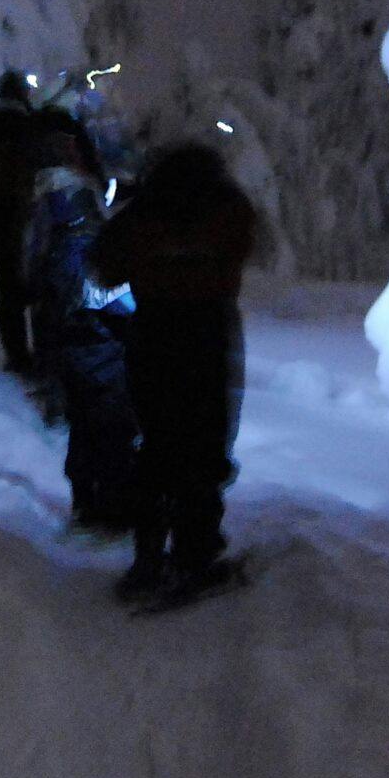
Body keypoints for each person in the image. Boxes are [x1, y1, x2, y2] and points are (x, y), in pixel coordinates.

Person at [91, 142, 258, 602]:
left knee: (159, 442)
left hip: (154, 332)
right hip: (209, 332)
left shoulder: (143, 213)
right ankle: (196, 550)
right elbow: (245, 246)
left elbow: (104, 267)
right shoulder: (227, 208)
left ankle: (148, 557)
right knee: (206, 441)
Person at [22, 106, 139, 533]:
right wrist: (131, 310)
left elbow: (33, 268)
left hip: (67, 326)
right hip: (93, 329)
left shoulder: (45, 202)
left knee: (87, 418)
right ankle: (109, 507)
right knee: (107, 417)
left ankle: (89, 500)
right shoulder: (75, 206)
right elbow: (100, 281)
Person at [0, 69, 44, 375]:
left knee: (10, 286)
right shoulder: (30, 130)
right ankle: (39, 358)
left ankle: (17, 355)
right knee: (39, 287)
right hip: (28, 213)